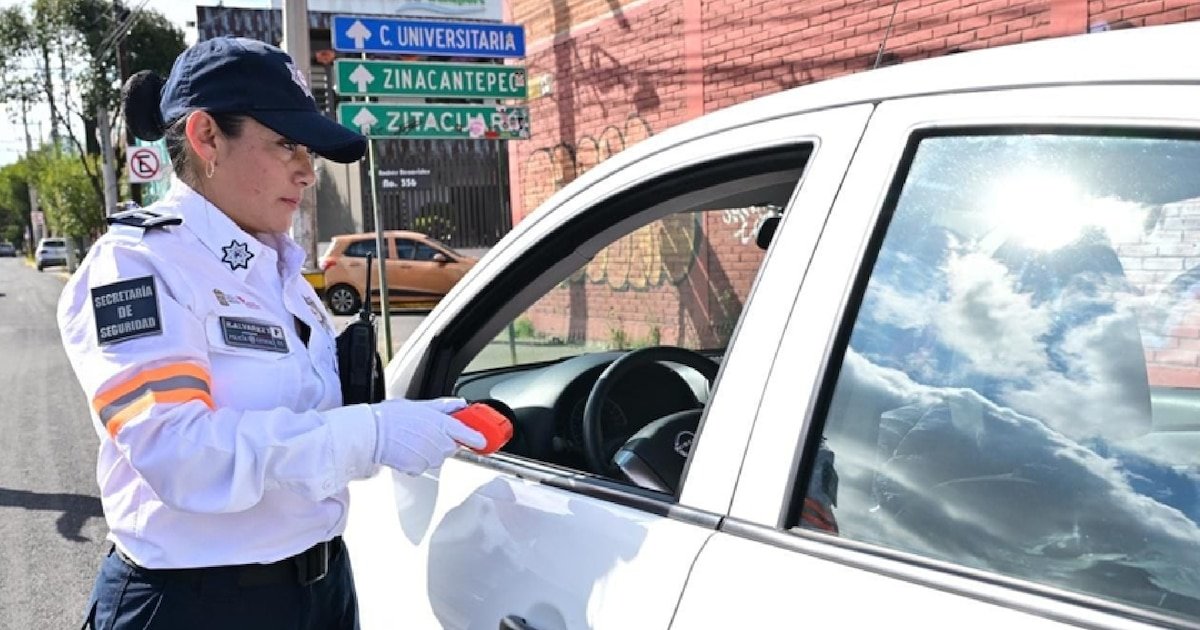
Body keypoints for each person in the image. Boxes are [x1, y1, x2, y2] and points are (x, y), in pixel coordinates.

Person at [57, 36, 486, 630]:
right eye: (286, 144)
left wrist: (398, 422)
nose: (308, 172)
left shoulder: (278, 268)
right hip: (199, 604)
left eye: (306, 149)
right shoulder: (138, 265)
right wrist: (370, 434)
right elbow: (176, 451)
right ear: (207, 137)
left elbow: (304, 411)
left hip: (321, 586)